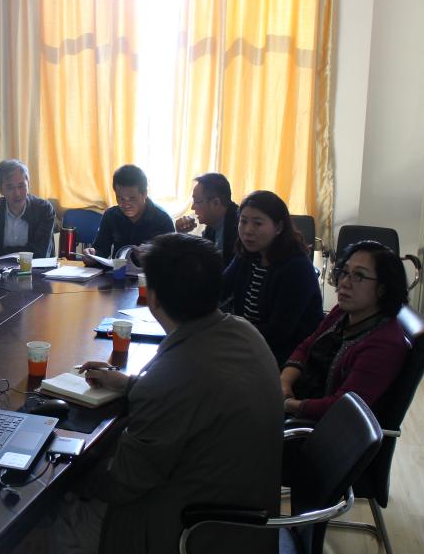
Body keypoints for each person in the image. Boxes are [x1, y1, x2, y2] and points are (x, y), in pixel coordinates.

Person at [51, 234, 282, 554]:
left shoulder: (172, 376)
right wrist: (129, 384)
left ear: (154, 298)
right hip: (244, 518)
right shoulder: (243, 331)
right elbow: (195, 393)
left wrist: (65, 473)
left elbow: (122, 485)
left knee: (53, 519)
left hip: (190, 531)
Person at [281, 240, 410, 419]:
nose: (344, 283)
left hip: (317, 427)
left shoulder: (384, 345)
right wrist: (284, 384)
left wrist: (289, 404)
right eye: (344, 272)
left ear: (383, 288)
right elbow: (306, 347)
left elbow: (342, 408)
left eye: (359, 276)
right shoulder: (342, 312)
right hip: (294, 403)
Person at [221, 190, 323, 366]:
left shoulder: (296, 267)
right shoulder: (247, 255)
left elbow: (278, 332)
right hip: (250, 346)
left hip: (287, 360)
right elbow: (220, 289)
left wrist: (228, 334)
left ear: (279, 228)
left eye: (257, 223)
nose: (247, 230)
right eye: (243, 221)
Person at [84, 164, 174, 261]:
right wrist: (92, 255)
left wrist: (150, 256)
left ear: (144, 194)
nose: (126, 205)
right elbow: (101, 250)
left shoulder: (162, 219)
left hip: (149, 270)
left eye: (132, 198)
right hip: (118, 270)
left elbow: (171, 260)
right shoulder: (111, 215)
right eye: (120, 198)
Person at [0, 159, 56, 260]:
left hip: (34, 268)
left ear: (28, 184)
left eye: (21, 186)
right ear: (0, 189)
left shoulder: (43, 209)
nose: (17, 193)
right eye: (10, 187)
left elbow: (40, 253)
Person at [175, 172, 239, 266]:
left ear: (215, 203)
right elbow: (201, 256)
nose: (192, 207)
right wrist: (182, 234)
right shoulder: (213, 224)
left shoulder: (238, 226)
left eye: (197, 201)